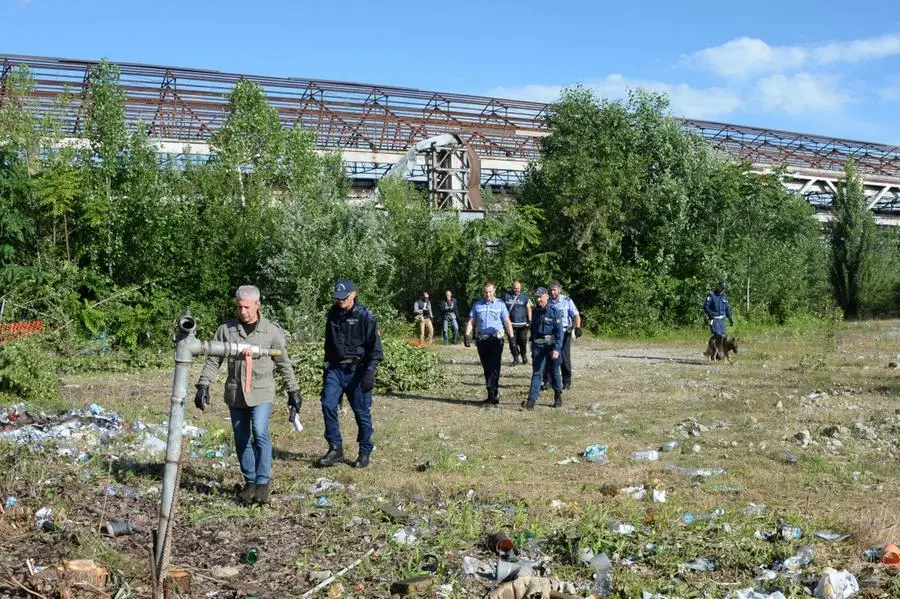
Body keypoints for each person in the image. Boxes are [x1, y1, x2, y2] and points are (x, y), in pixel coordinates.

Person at [194, 285, 301, 505]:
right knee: (241, 438)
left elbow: (283, 362)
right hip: (236, 393)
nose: (242, 311)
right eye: (239, 306)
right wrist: (203, 385)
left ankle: (263, 483)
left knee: (260, 432)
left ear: (257, 305)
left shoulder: (270, 331)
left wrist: (293, 391)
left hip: (262, 391)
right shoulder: (227, 330)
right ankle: (250, 481)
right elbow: (214, 360)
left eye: (246, 307)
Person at [317, 278, 384, 469]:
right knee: (328, 404)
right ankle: (335, 448)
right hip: (335, 369)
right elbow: (328, 344)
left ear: (353, 294)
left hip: (358, 370)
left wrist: (369, 372)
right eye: (338, 298)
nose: (341, 302)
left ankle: (364, 452)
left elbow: (376, 350)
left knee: (361, 412)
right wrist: (326, 368)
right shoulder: (333, 315)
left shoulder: (365, 316)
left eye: (344, 298)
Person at [464, 282, 515, 405]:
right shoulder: (477, 305)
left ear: (494, 291)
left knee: (495, 366)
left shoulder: (500, 304)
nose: (488, 294)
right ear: (483, 292)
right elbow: (471, 321)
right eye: (486, 292)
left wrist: (512, 338)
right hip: (482, 341)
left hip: (496, 340)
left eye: (490, 292)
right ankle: (490, 394)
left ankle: (493, 392)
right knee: (486, 367)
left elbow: (507, 321)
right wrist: (467, 335)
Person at [523, 287, 564, 410]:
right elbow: (533, 330)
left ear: (547, 296)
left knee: (554, 372)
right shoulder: (535, 312)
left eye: (540, 296)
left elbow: (559, 333)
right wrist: (531, 343)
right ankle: (531, 400)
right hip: (538, 346)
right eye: (536, 297)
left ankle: (557, 395)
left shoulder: (554, 312)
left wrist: (556, 349)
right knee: (537, 373)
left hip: (551, 346)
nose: (538, 299)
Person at [543, 281, 582, 390]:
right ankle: (548, 381)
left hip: (564, 332)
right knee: (549, 357)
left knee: (564, 358)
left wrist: (577, 327)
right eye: (550, 290)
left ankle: (566, 381)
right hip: (550, 333)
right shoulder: (547, 301)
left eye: (554, 290)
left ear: (559, 290)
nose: (552, 292)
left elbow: (576, 315)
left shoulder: (567, 301)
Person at [500, 280, 532, 366]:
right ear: (512, 287)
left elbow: (528, 308)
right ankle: (515, 358)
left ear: (520, 288)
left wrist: (529, 320)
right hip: (510, 324)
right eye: (515, 288)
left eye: (518, 288)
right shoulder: (506, 296)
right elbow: (500, 307)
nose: (517, 290)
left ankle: (524, 355)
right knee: (512, 343)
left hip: (523, 324)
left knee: (522, 341)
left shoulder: (525, 297)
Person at [703, 280, 734, 357]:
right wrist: (711, 314)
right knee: (718, 334)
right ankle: (712, 351)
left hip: (722, 320)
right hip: (714, 319)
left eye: (724, 288)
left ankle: (720, 352)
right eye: (721, 288)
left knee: (723, 336)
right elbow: (705, 307)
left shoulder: (724, 296)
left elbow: (727, 308)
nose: (723, 290)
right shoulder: (711, 295)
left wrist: (730, 317)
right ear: (718, 287)